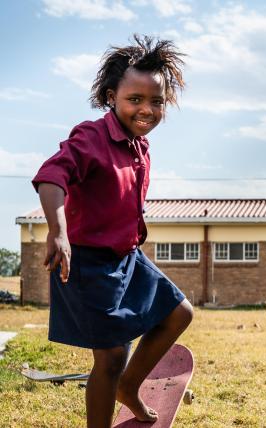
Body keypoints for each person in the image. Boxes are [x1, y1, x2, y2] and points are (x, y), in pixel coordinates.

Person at [32, 35, 193, 427]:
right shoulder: (90, 137)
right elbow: (53, 176)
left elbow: (120, 195)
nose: (146, 109)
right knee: (110, 357)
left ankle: (128, 387)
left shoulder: (139, 146)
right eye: (134, 99)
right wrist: (58, 231)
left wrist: (134, 223)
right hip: (87, 263)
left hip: (127, 258)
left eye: (156, 101)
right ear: (111, 97)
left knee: (179, 313)